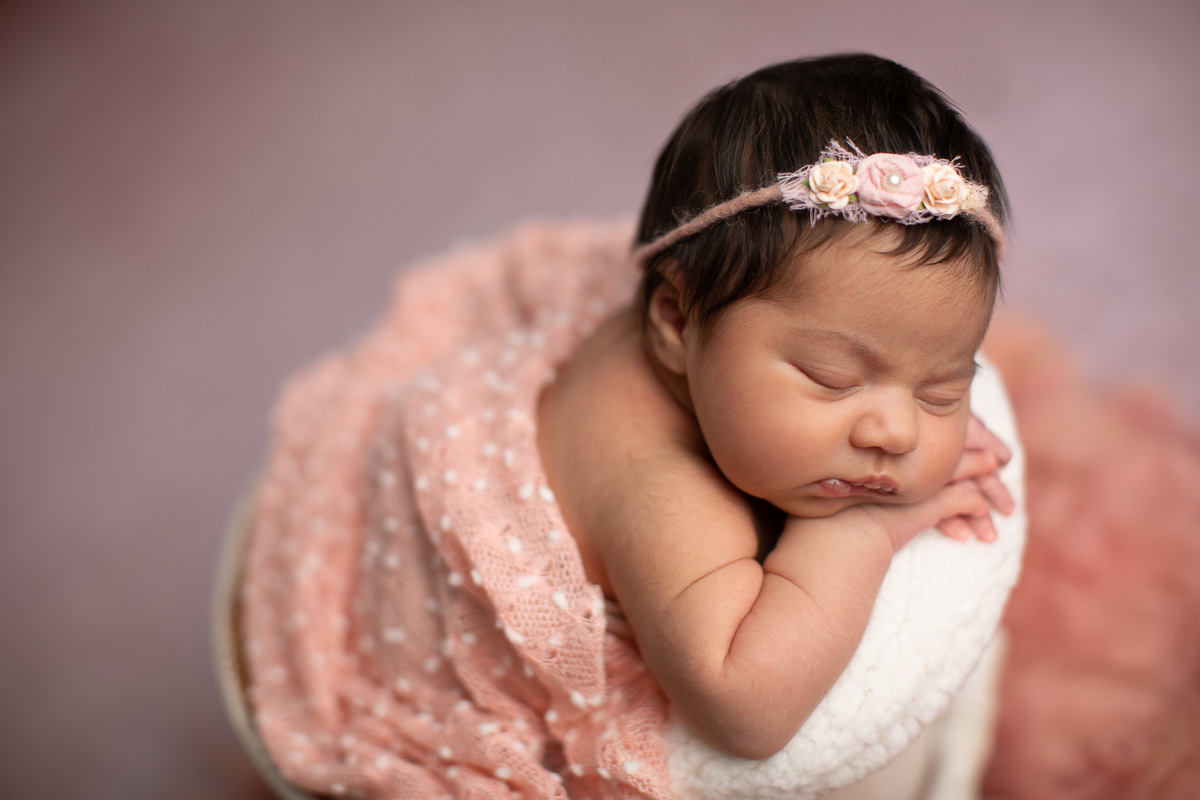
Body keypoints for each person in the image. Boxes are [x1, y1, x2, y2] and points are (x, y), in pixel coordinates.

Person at [537, 53, 1016, 761]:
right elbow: (744, 713)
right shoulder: (658, 486)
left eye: (940, 387)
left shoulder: (721, 348)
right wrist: (863, 534)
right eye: (830, 378)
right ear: (676, 319)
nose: (896, 430)